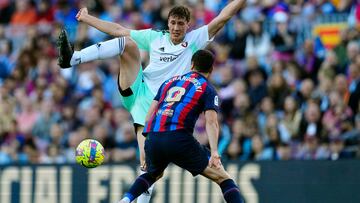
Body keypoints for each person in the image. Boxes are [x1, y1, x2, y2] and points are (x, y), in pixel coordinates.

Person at [57, 1, 246, 202]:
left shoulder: (194, 40)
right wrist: (87, 19)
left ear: (188, 24)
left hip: (158, 108)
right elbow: (118, 28)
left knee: (149, 167)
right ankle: (73, 58)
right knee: (126, 41)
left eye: (180, 24)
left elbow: (223, 17)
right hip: (138, 89)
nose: (175, 27)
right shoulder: (155, 37)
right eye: (172, 22)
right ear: (168, 22)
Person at [119, 50, 244, 203]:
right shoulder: (207, 88)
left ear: (192, 65)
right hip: (178, 137)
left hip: (154, 136)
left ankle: (126, 199)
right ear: (211, 70)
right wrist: (215, 151)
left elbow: (149, 114)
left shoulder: (169, 82)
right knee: (223, 178)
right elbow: (211, 122)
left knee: (153, 174)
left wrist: (146, 142)